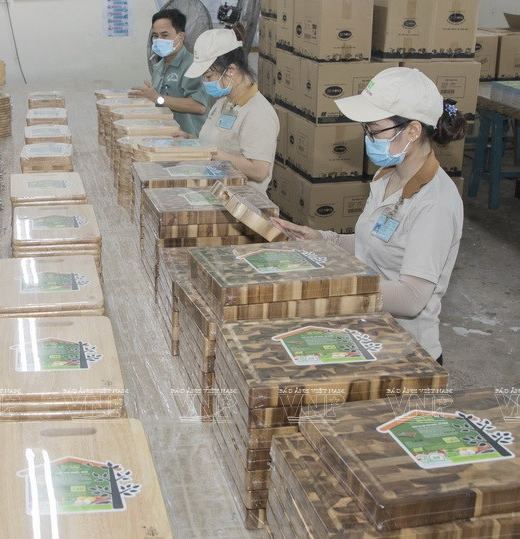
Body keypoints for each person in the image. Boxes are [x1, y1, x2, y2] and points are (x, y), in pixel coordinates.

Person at [272, 67, 467, 365]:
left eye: (374, 129)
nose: (368, 136)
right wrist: (322, 239)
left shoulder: (435, 203)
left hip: (406, 353)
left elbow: (412, 297)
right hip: (368, 332)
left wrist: (334, 284)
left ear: (413, 131)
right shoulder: (387, 176)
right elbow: (371, 244)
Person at [181, 27, 278, 195]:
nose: (205, 82)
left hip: (242, 202)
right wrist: (190, 140)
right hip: (216, 192)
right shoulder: (223, 103)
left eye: (209, 76)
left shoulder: (258, 113)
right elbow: (217, 142)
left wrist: (212, 153)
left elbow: (259, 170)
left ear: (231, 70)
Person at [129, 9, 208, 137]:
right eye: (155, 35)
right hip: (165, 136)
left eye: (165, 35)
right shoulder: (158, 66)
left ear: (181, 36)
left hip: (189, 139)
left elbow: (199, 106)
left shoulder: (193, 65)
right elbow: (158, 98)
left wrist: (158, 98)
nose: (159, 40)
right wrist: (146, 98)